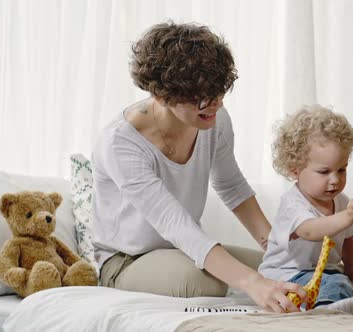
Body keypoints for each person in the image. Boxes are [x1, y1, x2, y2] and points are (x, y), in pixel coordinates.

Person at [90, 21, 306, 313]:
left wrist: (276, 247)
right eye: (201, 98)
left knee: (292, 274)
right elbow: (174, 223)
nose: (214, 104)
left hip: (181, 251)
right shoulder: (120, 144)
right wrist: (252, 283)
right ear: (162, 95)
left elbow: (231, 185)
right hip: (126, 262)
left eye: (219, 92)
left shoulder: (211, 118)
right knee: (209, 282)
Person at [258, 105, 353, 314]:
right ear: (295, 170)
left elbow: (347, 238)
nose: (335, 180)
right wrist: (346, 216)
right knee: (337, 284)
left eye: (341, 169)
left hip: (331, 274)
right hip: (289, 276)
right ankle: (327, 311)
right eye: (324, 172)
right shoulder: (293, 203)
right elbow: (310, 231)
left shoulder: (341, 200)